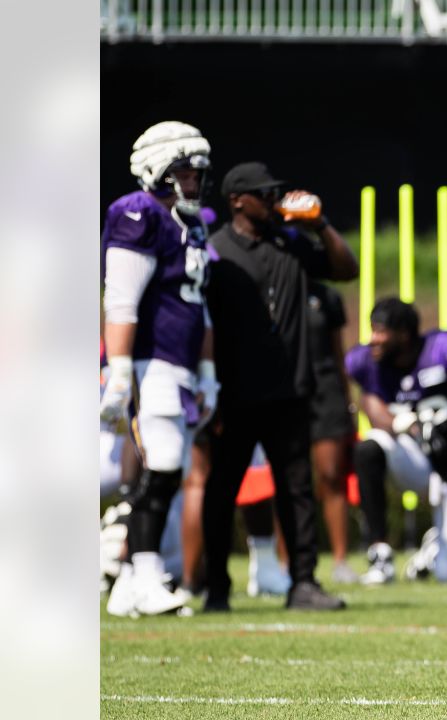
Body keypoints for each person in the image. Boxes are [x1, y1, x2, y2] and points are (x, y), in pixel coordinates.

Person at [202, 161, 357, 612]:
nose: (274, 201)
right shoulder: (215, 252)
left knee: (296, 490)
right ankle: (215, 588)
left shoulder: (290, 242)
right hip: (234, 394)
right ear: (237, 200)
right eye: (264, 195)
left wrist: (321, 224)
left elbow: (347, 270)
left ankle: (303, 583)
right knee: (221, 490)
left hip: (290, 390)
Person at [101, 121, 219, 617]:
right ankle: (144, 573)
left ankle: (130, 580)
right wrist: (121, 372)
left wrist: (208, 372)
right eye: (184, 173)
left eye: (197, 175)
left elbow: (201, 306)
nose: (193, 183)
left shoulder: (192, 224)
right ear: (158, 171)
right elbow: (122, 302)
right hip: (151, 364)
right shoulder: (138, 213)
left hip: (182, 365)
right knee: (163, 467)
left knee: (161, 471)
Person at [344, 298, 447, 584]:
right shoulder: (370, 364)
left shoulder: (446, 353)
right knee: (370, 447)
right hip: (414, 463)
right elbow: (370, 401)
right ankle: (380, 555)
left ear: (404, 334)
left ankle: (434, 545)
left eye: (381, 331)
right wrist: (397, 423)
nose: (373, 339)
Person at [306, 280, 358, 584]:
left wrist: (346, 399)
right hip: (285, 388)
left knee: (331, 475)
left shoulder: (326, 296)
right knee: (287, 480)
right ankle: (283, 564)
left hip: (325, 390)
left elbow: (339, 353)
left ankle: (340, 559)